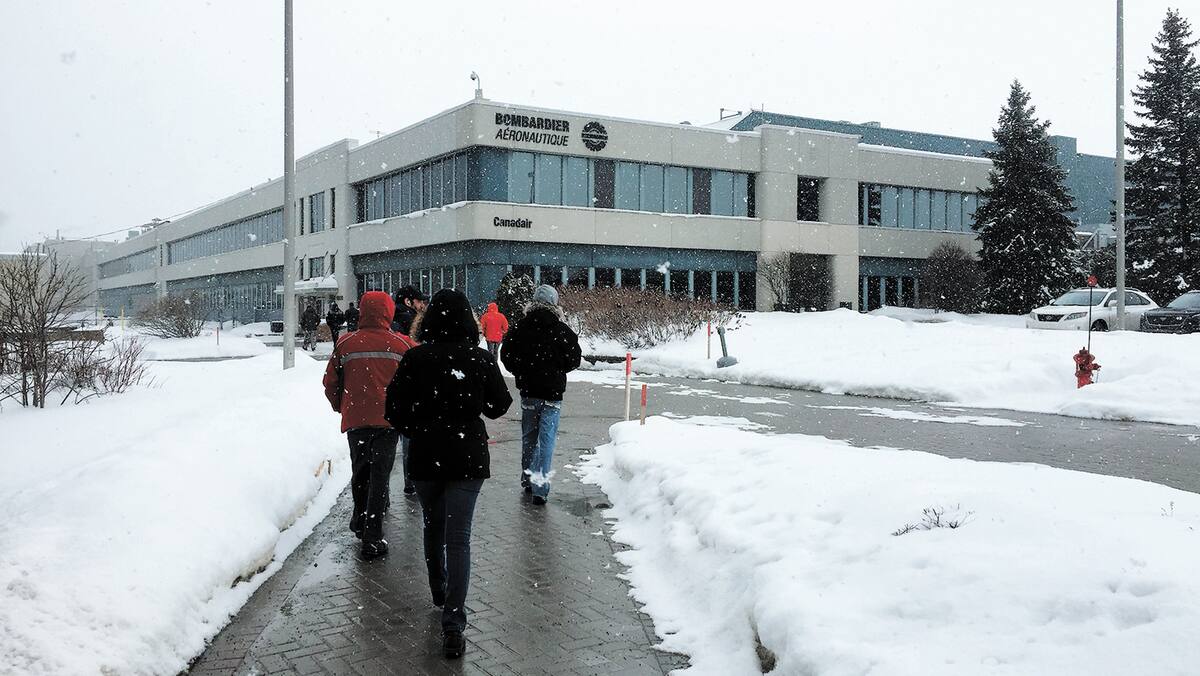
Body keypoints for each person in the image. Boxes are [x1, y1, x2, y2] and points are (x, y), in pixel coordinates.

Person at [384, 289, 512, 659]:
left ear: (430, 320)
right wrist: (471, 400)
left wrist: (418, 427)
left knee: (433, 525)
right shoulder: (478, 358)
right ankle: (454, 621)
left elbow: (394, 409)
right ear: (467, 320)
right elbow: (499, 405)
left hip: (426, 454)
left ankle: (438, 588)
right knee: (459, 538)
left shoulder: (416, 358)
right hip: (467, 455)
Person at [321, 291, 415, 559]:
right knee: (380, 475)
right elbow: (412, 384)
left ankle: (360, 519)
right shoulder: (402, 345)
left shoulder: (346, 343)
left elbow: (330, 382)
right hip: (388, 421)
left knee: (360, 472)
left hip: (357, 420)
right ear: (388, 312)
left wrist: (342, 406)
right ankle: (372, 535)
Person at [500, 285, 581, 506]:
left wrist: (522, 371)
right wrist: (557, 369)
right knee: (546, 440)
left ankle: (528, 478)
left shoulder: (520, 328)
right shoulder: (562, 331)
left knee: (529, 437)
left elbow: (506, 356)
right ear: (555, 304)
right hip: (553, 393)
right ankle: (540, 487)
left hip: (529, 391)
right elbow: (574, 359)